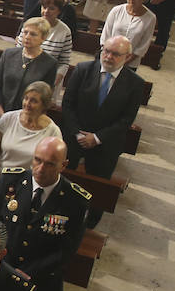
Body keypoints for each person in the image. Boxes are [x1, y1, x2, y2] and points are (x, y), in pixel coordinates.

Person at [0, 138, 90, 291]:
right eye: (37, 160)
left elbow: (66, 251)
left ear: (64, 165)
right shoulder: (11, 181)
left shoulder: (75, 201)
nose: (41, 168)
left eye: (50, 163)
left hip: (40, 285)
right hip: (0, 274)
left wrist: (26, 273)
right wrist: (5, 267)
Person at [59, 35, 144, 188]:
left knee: (97, 190)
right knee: (61, 183)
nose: (109, 57)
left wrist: (97, 138)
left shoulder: (135, 83)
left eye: (116, 54)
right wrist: (78, 134)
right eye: (106, 51)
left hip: (106, 144)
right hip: (74, 138)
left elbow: (126, 119)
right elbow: (68, 104)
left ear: (128, 57)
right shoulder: (83, 69)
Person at [0, 81, 63, 183]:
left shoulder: (53, 132)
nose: (27, 103)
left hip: (26, 187)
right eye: (26, 98)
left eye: (33, 101)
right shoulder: (8, 118)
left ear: (44, 105)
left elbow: (51, 166)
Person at [0, 17, 58, 116]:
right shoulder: (8, 54)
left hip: (27, 117)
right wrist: (1, 114)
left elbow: (44, 98)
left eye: (33, 34)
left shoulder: (50, 63)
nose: (27, 37)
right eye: (25, 32)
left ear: (43, 38)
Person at [102, 0, 158, 66]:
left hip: (130, 62)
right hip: (108, 58)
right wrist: (108, 56)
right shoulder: (116, 10)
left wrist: (124, 62)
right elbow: (106, 34)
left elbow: (144, 44)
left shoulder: (151, 18)